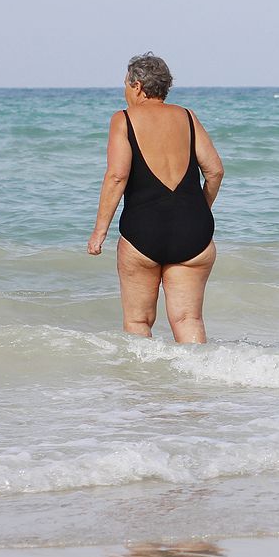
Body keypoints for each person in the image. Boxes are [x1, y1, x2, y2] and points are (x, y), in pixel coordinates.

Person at [87, 53, 225, 343]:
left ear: (137, 86)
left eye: (125, 84)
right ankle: (195, 385)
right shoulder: (187, 117)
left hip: (143, 234)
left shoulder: (123, 120)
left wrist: (99, 233)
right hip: (194, 234)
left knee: (138, 321)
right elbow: (214, 171)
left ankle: (142, 387)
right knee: (188, 319)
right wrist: (200, 210)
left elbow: (117, 176)